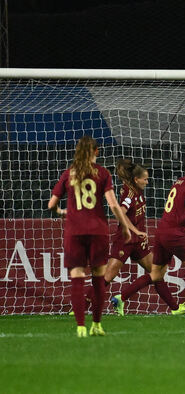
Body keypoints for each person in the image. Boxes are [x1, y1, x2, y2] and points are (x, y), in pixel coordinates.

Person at [48, 135, 131, 338]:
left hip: (74, 231)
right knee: (98, 278)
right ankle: (96, 324)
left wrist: (61, 212)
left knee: (77, 277)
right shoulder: (103, 173)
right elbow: (112, 205)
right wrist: (126, 226)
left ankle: (80, 327)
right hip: (97, 230)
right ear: (96, 151)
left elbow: (51, 204)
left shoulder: (69, 173)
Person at [122, 152, 185, 316]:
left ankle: (121, 297)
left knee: (156, 274)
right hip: (176, 233)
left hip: (162, 230)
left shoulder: (178, 182)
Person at [106, 159, 185, 316]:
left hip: (138, 242)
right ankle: (83, 304)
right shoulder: (129, 193)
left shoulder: (137, 191)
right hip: (125, 240)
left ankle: (174, 308)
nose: (147, 181)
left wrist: (139, 233)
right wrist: (135, 231)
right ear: (136, 179)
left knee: (157, 271)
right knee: (109, 276)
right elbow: (120, 214)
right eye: (145, 179)